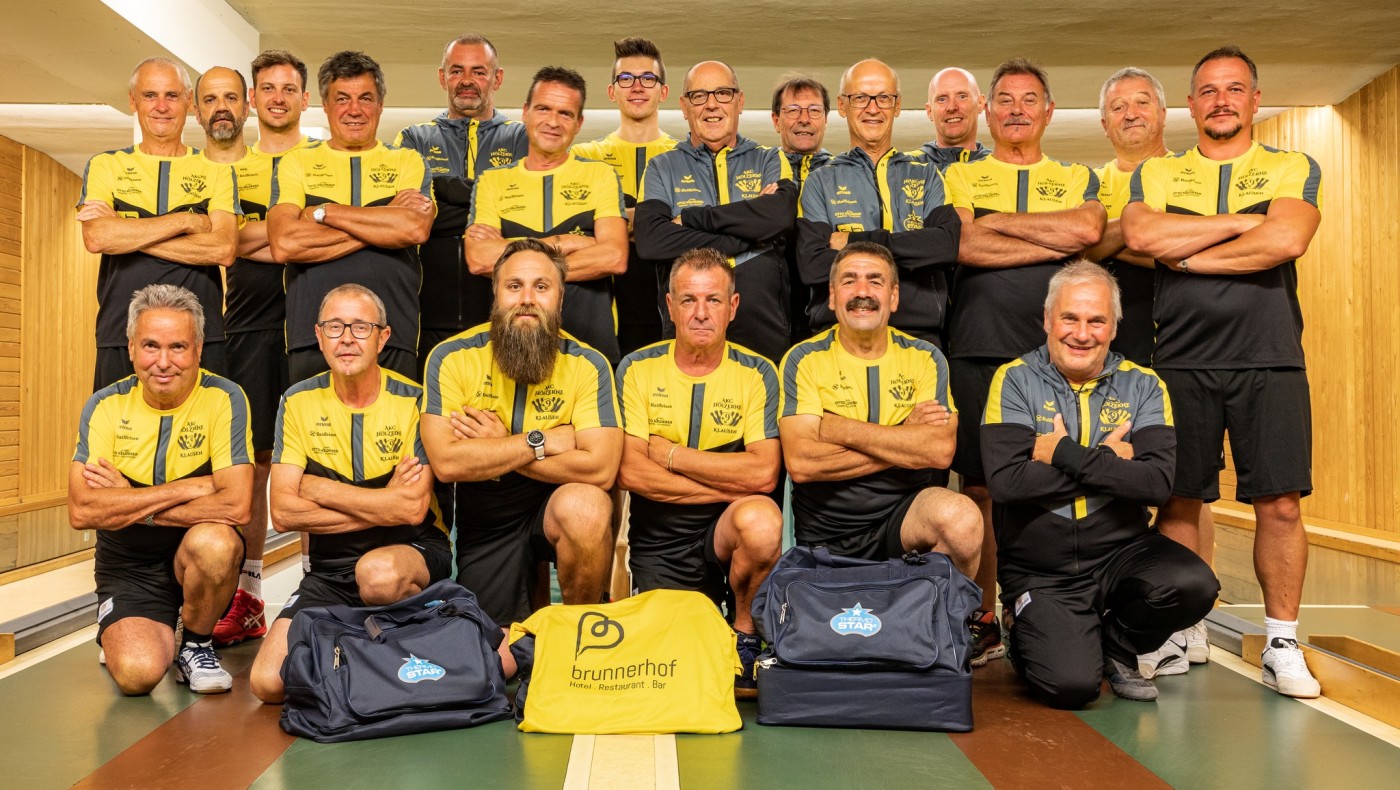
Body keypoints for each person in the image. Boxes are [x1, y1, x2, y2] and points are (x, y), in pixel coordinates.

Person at [1122, 45, 1324, 698]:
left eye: (1234, 88)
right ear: (1191, 104)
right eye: (1208, 90)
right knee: (1180, 500)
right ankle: (1181, 626)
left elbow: (1287, 239)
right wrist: (1245, 225)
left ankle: (1282, 643)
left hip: (1270, 357)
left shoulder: (1293, 164)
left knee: (1281, 504)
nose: (1221, 100)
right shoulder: (1158, 171)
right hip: (1181, 360)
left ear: (1255, 100)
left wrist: (1189, 254)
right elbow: (1144, 238)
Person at [981, 260, 1218, 707]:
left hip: (1121, 554)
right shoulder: (1014, 379)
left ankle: (1117, 646)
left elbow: (1155, 484)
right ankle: (1026, 626)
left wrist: (1063, 453)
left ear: (1114, 327)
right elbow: (1008, 482)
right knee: (1070, 687)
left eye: (1096, 321)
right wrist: (1111, 463)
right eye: (1069, 318)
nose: (1082, 333)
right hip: (1043, 569)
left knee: (1195, 584)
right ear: (1047, 320)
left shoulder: (1144, 385)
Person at [942, 58, 1106, 666]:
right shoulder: (960, 174)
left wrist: (999, 226)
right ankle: (984, 617)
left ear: (1049, 111)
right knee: (982, 488)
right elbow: (964, 243)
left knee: (1054, 479)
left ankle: (1045, 609)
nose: (1016, 110)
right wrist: (1051, 240)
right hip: (978, 346)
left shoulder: (1075, 175)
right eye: (1005, 100)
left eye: (1029, 99)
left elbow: (1087, 231)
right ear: (988, 112)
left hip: (1057, 357)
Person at [248, 284, 452, 703]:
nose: (346, 338)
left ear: (383, 337)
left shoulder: (415, 400)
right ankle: (371, 652)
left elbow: (412, 510)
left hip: (409, 551)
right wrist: (383, 502)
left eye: (361, 327)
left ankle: (417, 627)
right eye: (335, 326)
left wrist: (320, 488)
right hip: (331, 568)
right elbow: (284, 513)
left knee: (377, 575)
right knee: (268, 683)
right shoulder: (297, 401)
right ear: (318, 336)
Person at [420, 238, 623, 626]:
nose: (527, 299)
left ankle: (575, 632)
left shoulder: (589, 364)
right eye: (514, 286)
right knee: (497, 645)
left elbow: (601, 469)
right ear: (495, 294)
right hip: (489, 513)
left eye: (541, 286)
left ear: (560, 299)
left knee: (586, 506)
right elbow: (447, 463)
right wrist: (540, 441)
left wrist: (498, 447)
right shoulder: (450, 356)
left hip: (557, 498)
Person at [68, 284, 253, 695]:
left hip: (194, 554)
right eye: (151, 346)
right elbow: (82, 510)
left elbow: (237, 506)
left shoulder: (225, 397)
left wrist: (130, 501)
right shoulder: (104, 405)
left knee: (217, 542)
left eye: (178, 347)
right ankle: (146, 627)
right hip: (128, 565)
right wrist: (192, 488)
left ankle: (196, 644)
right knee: (137, 676)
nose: (164, 362)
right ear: (131, 348)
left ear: (198, 350)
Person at [616, 247, 783, 698]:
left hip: (726, 532)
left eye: (714, 300)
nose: (701, 313)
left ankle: (745, 634)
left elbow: (763, 475)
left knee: (761, 520)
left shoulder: (758, 372)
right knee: (673, 667)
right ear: (670, 306)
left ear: (733, 306)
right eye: (689, 300)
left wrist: (672, 455)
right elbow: (632, 472)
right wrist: (730, 484)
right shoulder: (636, 368)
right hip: (660, 539)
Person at [193, 54, 315, 647]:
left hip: (315, 327)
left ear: (304, 99)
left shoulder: (322, 159)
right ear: (252, 102)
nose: (277, 97)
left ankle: (318, 586)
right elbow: (228, 242)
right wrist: (294, 234)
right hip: (247, 326)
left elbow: (313, 236)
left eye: (288, 88)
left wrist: (273, 237)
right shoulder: (230, 169)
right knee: (255, 463)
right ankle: (248, 594)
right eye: (267, 88)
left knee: (319, 457)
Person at [778, 242, 981, 577]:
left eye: (875, 281)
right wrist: (905, 437)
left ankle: (945, 611)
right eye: (849, 281)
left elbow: (939, 450)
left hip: (905, 519)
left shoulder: (926, 357)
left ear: (894, 296)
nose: (862, 292)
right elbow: (802, 463)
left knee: (963, 519)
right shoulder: (802, 359)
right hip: (826, 530)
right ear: (832, 296)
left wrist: (836, 428)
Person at [267, 50, 434, 384]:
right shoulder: (296, 163)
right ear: (326, 105)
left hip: (393, 333)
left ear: (381, 105)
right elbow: (284, 243)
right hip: (312, 335)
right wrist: (383, 222)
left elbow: (414, 229)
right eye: (342, 98)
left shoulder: (408, 161)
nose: (354, 110)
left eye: (365, 98)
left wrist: (324, 213)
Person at [78, 58, 237, 391]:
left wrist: (126, 232)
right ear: (133, 101)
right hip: (120, 332)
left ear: (189, 101)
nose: (161, 106)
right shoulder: (105, 165)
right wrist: (186, 221)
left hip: (200, 336)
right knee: (119, 426)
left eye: (172, 96)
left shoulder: (217, 171)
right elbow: (97, 237)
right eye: (150, 95)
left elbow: (223, 249)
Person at [634, 60, 797, 365]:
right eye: (699, 96)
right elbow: (651, 241)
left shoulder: (770, 160)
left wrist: (691, 219)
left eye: (723, 93)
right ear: (684, 106)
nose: (711, 104)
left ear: (740, 102)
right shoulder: (661, 167)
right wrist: (750, 237)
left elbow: (778, 218)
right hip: (687, 333)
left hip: (764, 332)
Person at [465, 66, 629, 365]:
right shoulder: (492, 180)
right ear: (525, 112)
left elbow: (614, 257)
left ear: (579, 123)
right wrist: (565, 242)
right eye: (543, 109)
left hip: (592, 343)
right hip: (516, 342)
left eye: (565, 113)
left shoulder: (601, 175)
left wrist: (515, 258)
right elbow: (478, 258)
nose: (553, 122)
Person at [795, 59, 960, 345]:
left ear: (897, 106)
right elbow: (812, 265)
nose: (873, 109)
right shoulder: (819, 181)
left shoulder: (927, 175)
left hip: (918, 337)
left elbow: (944, 246)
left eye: (883, 98)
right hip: (836, 337)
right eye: (860, 98)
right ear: (842, 105)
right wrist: (911, 250)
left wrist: (851, 241)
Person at [395, 35, 529, 368]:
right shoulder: (413, 138)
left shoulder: (523, 138)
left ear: (497, 78)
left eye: (478, 72)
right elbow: (406, 217)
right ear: (443, 77)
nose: (466, 80)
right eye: (457, 71)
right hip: (427, 316)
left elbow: (525, 216)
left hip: (505, 315)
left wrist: (440, 191)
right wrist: (492, 201)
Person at [572, 37, 680, 357]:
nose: (636, 87)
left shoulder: (686, 156)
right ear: (612, 91)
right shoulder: (584, 157)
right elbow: (578, 228)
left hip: (673, 308)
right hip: (602, 310)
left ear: (663, 91)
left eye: (648, 78)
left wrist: (616, 220)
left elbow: (694, 227)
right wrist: (658, 222)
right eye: (626, 78)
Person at [1085, 67, 1168, 369]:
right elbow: (1076, 250)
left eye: (1142, 102)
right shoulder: (1087, 182)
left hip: (1180, 345)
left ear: (1162, 113)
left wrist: (1103, 238)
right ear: (1105, 125)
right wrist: (1146, 229)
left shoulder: (1192, 173)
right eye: (1118, 107)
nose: (1131, 114)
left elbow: (1199, 250)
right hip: (1103, 354)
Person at [771, 75, 833, 343]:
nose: (804, 119)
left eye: (814, 111)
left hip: (828, 300)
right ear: (776, 120)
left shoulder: (844, 172)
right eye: (793, 110)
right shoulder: (759, 170)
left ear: (826, 119)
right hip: (770, 302)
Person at [920, 67, 992, 170]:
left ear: (980, 103)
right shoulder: (907, 168)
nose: (952, 107)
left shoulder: (1002, 169)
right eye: (942, 99)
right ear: (929, 111)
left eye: (962, 96)